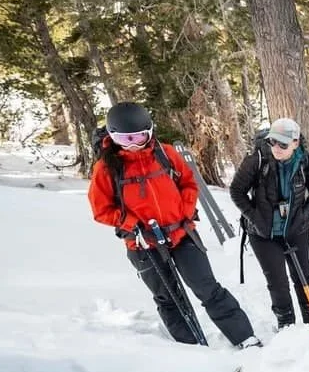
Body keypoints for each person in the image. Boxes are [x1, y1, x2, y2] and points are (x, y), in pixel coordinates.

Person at [88, 102, 259, 347]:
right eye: (125, 139)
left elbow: (189, 184)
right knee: (168, 297)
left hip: (181, 234)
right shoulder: (106, 168)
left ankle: (245, 337)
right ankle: (190, 347)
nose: (134, 144)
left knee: (207, 287)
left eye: (139, 136)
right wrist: (131, 223)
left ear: (150, 131)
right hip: (142, 243)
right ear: (113, 137)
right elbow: (101, 209)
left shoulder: (165, 154)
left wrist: (185, 212)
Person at [228, 118, 309, 329]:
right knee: (278, 282)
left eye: (283, 144)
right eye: (273, 142)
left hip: (296, 228)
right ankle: (287, 326)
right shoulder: (257, 159)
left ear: (295, 143)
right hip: (263, 232)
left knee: (302, 276)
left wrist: (303, 215)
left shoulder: (306, 161)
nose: (277, 148)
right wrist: (255, 218)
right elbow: (236, 191)